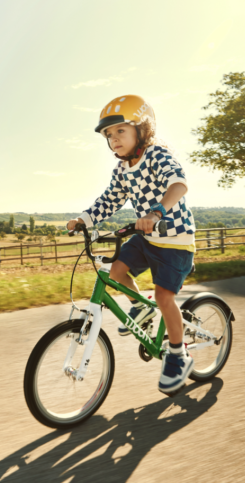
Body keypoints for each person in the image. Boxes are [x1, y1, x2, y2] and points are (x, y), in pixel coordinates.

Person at [66, 95, 197, 396]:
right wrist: (84, 219)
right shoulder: (123, 169)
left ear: (142, 128)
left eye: (120, 131)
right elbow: (110, 199)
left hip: (175, 240)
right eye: (109, 136)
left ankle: (178, 354)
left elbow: (179, 184)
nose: (113, 140)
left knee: (165, 298)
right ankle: (140, 307)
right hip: (147, 238)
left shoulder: (157, 155)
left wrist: (156, 212)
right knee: (115, 270)